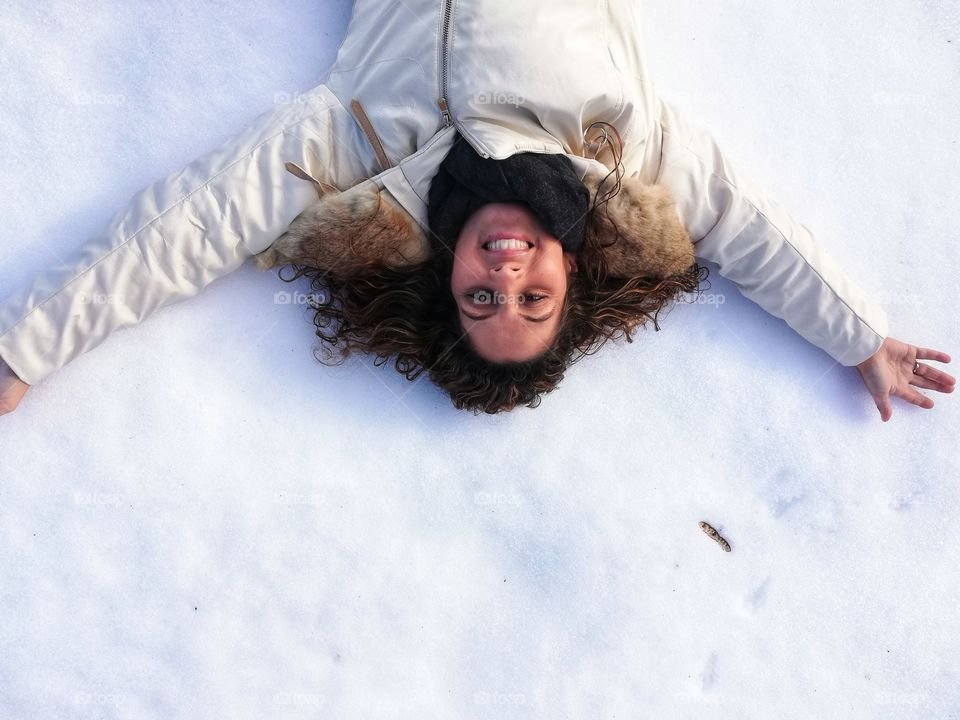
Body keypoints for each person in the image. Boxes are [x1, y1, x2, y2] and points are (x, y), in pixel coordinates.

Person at [0, 0, 954, 418]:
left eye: (480, 303)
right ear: (568, 273)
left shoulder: (359, 149)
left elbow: (191, 228)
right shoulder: (625, 145)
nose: (506, 281)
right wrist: (858, 337)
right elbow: (751, 228)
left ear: (444, 276)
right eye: (532, 303)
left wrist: (25, 348)